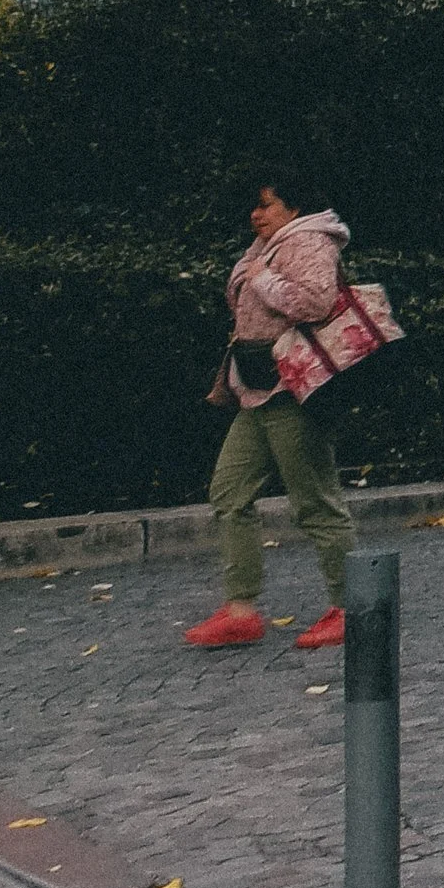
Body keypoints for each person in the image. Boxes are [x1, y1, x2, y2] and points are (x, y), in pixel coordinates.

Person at [185, 164, 355, 653]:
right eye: (255, 205)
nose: (255, 214)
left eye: (266, 204)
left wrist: (261, 280)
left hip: (294, 391)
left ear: (293, 207)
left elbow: (316, 303)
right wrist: (254, 273)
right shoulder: (266, 247)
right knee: (229, 491)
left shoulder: (309, 241)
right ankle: (241, 611)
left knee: (315, 502)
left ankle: (351, 606)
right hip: (256, 389)